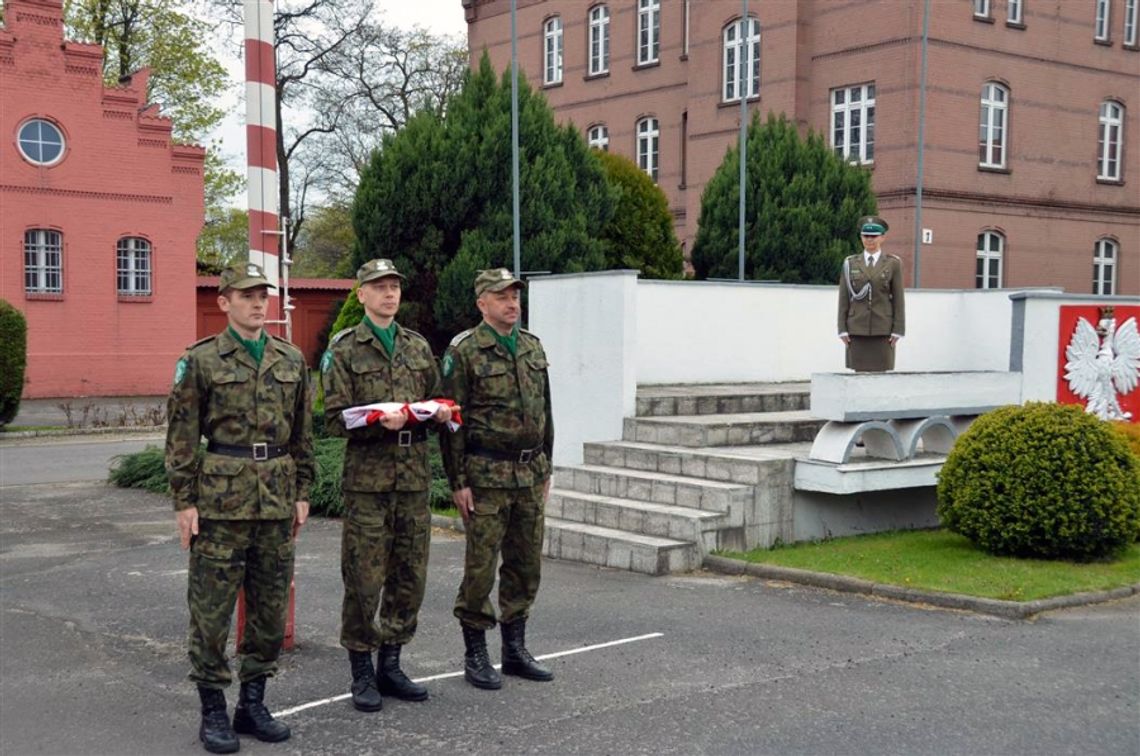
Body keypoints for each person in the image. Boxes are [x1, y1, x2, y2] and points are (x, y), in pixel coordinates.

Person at [165, 262, 314, 754]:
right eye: (245, 295)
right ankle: (212, 709)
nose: (257, 303)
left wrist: (302, 491)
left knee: (269, 609)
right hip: (221, 504)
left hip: (275, 500)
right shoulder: (202, 360)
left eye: (261, 295)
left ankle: (253, 703)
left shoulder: (290, 359)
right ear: (223, 301)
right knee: (211, 612)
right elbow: (182, 437)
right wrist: (184, 502)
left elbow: (302, 435)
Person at [321, 259, 453, 712]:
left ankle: (392, 664)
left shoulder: (417, 347)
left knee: (408, 575)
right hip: (368, 484)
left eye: (394, 286)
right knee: (363, 579)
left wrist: (439, 413)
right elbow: (332, 418)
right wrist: (379, 423)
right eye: (379, 287)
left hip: (413, 480)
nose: (389, 294)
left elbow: (438, 399)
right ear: (361, 294)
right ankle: (361, 669)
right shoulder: (344, 349)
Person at [440, 267, 555, 690]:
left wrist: (546, 465)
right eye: (501, 296)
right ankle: (476, 653)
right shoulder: (464, 351)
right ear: (481, 303)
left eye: (515, 295)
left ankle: (515, 649)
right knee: (481, 568)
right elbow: (452, 420)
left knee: (526, 565)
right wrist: (458, 481)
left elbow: (547, 414)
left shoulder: (531, 347)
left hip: (529, 473)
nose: (512, 303)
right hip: (486, 476)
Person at [837, 215, 907, 372]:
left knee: (881, 375)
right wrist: (842, 328)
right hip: (857, 328)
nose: (869, 240)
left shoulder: (892, 263)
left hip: (883, 329)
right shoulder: (850, 263)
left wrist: (898, 329)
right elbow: (844, 298)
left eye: (874, 236)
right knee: (858, 375)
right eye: (865, 236)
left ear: (882, 237)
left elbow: (898, 299)